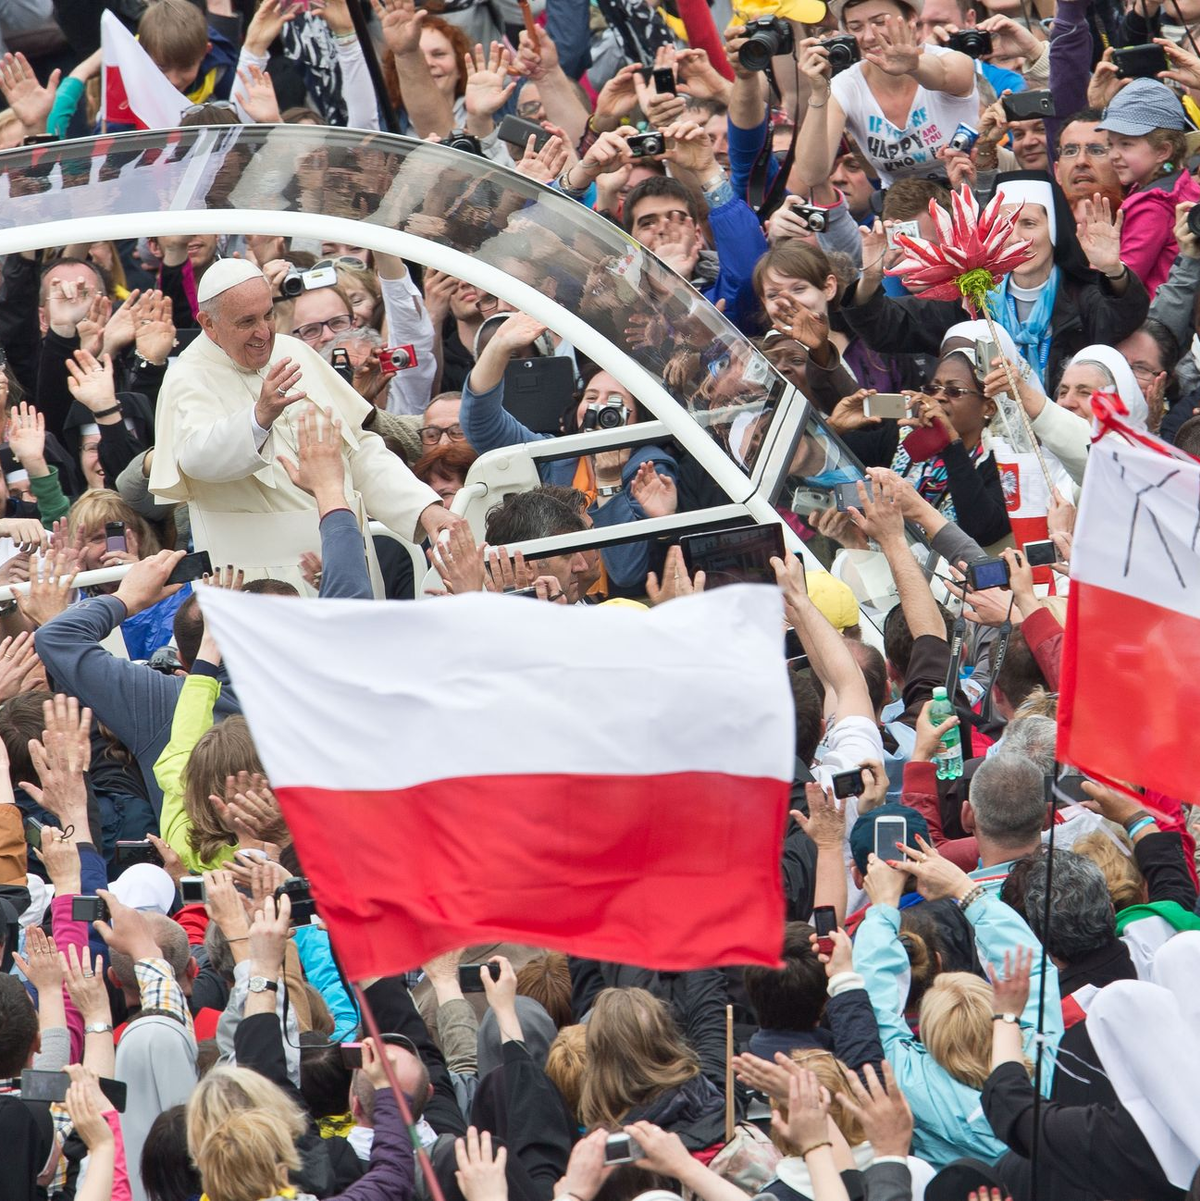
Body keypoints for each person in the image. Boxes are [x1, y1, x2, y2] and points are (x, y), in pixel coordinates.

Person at [147, 259, 456, 594]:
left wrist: (424, 509)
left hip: (344, 558)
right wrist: (258, 417)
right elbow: (196, 459)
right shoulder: (187, 377)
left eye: (268, 315)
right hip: (258, 583)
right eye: (247, 321)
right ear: (208, 323)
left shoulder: (294, 351)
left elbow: (357, 452)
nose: (264, 332)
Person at [796, 0, 978, 188]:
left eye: (881, 22)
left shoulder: (952, 60)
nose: (868, 36)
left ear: (911, 19)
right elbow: (811, 175)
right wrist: (819, 93)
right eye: (856, 27)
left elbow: (944, 74)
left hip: (974, 198)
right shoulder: (845, 86)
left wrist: (914, 66)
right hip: (903, 210)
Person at [1096, 79, 1200, 301]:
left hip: (1153, 323)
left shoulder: (1152, 204)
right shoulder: (1185, 185)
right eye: (1110, 144)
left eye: (1126, 144)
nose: (1113, 154)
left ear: (1163, 150)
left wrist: (1098, 267)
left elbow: (1128, 278)